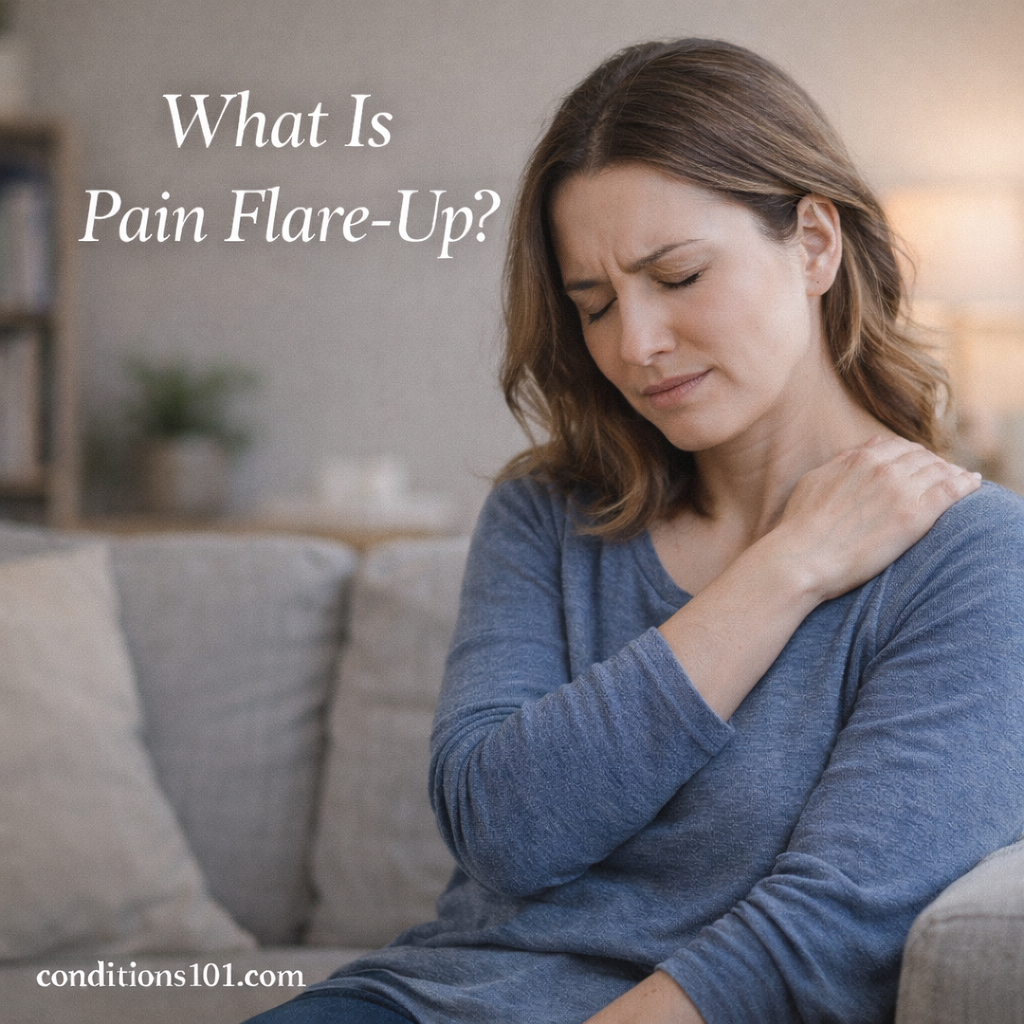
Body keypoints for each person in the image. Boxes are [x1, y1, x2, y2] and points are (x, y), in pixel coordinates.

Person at [245, 38, 1024, 1024]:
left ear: (814, 244)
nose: (634, 345)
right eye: (595, 304)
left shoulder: (975, 556)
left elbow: (837, 928)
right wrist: (784, 567)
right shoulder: (548, 511)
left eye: (679, 275)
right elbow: (504, 831)